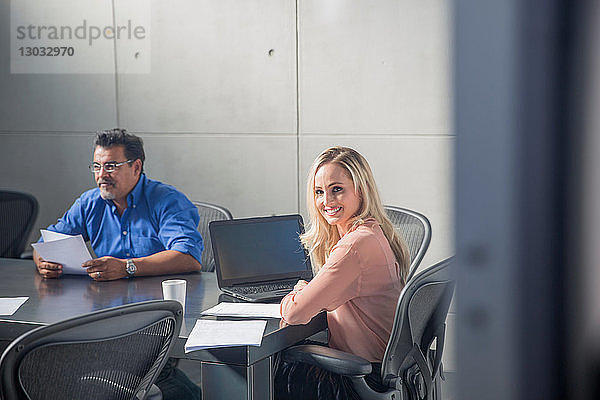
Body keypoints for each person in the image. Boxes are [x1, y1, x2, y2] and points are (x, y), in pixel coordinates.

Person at [32, 128, 203, 400]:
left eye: (111, 166)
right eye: (97, 166)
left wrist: (127, 267)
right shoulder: (89, 202)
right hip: (103, 314)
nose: (102, 175)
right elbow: (46, 242)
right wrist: (43, 260)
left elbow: (188, 257)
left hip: (157, 314)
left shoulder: (167, 200)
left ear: (136, 167)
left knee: (136, 369)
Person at [275, 146, 410, 399]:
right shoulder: (373, 232)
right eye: (319, 192)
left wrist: (296, 294)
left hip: (362, 378)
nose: (326, 201)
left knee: (275, 367)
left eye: (337, 189)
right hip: (386, 369)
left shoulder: (353, 246)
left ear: (361, 190)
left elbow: (295, 313)